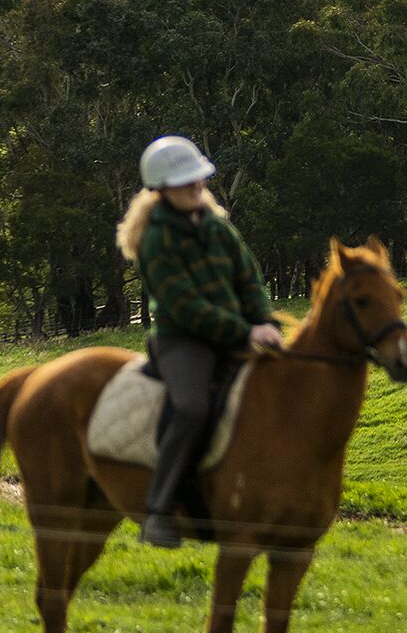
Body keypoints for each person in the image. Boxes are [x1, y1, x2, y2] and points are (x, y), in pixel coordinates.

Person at [115, 136, 285, 549]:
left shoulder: (217, 227)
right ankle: (159, 509)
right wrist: (245, 332)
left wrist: (263, 320)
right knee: (192, 408)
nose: (195, 186)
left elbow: (250, 278)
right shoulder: (156, 241)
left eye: (197, 178)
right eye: (183, 181)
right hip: (183, 341)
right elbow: (186, 307)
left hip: (237, 332)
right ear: (161, 190)